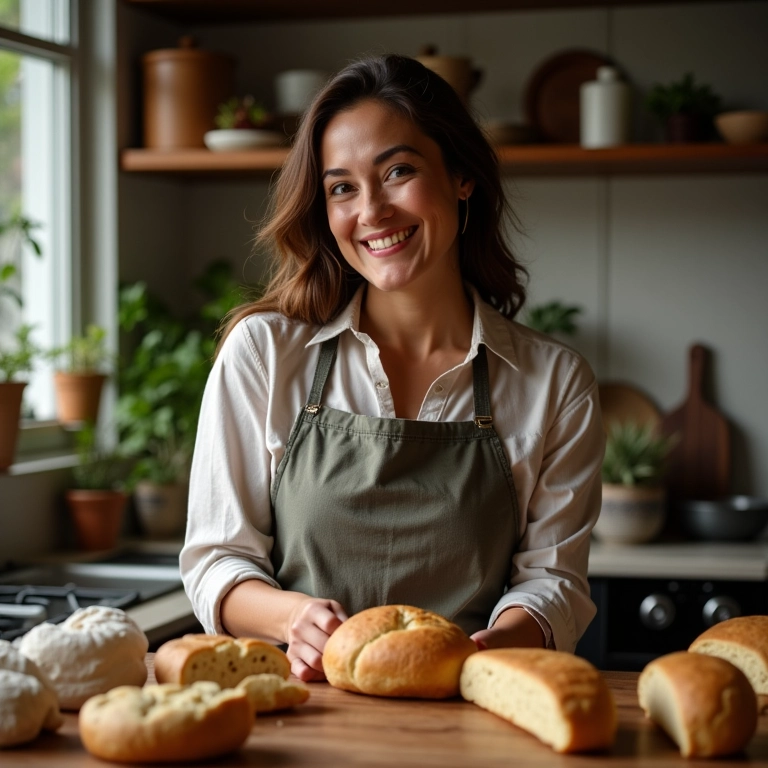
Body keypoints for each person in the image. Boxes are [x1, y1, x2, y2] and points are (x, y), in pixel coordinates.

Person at [180, 54, 605, 682]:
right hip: (301, 718)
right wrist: (290, 618)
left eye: (398, 171)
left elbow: (553, 583)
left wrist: (480, 655)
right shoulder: (265, 354)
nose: (372, 211)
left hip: (467, 710)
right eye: (342, 187)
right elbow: (217, 560)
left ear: (460, 175)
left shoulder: (554, 382)